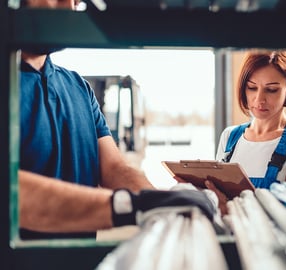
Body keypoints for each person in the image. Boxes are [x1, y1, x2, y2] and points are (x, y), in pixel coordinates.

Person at [18, 0, 215, 239]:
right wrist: (130, 205)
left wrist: (163, 203)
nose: (69, 6)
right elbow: (13, 194)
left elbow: (114, 168)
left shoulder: (79, 87)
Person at [215, 50, 286, 193]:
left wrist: (226, 205)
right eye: (252, 87)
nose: (259, 99)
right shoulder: (229, 137)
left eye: (271, 89)